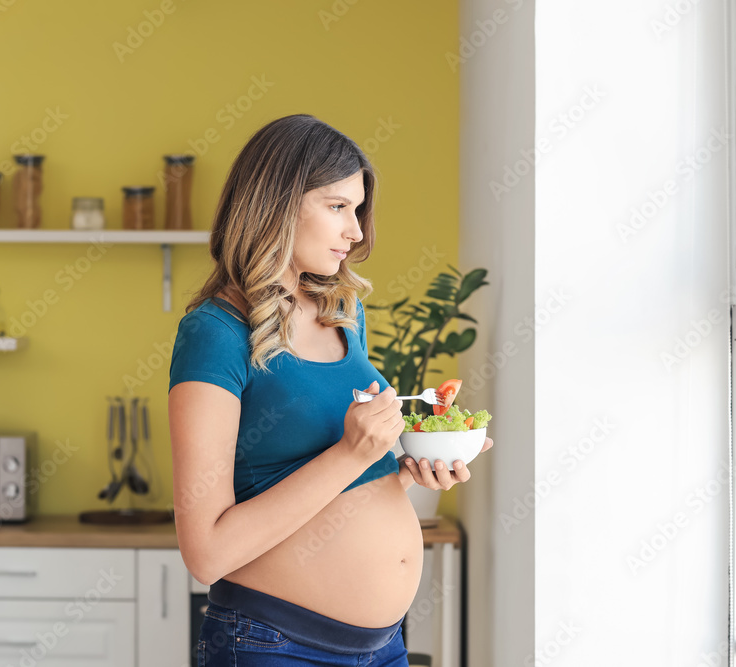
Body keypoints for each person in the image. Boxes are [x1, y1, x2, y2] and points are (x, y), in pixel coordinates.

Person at [168, 114, 493, 666]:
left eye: (358, 210)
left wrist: (412, 460)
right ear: (275, 202)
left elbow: (349, 468)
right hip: (275, 646)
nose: (357, 232)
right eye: (338, 207)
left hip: (384, 648)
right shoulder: (215, 333)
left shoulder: (345, 312)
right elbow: (206, 553)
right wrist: (352, 453)